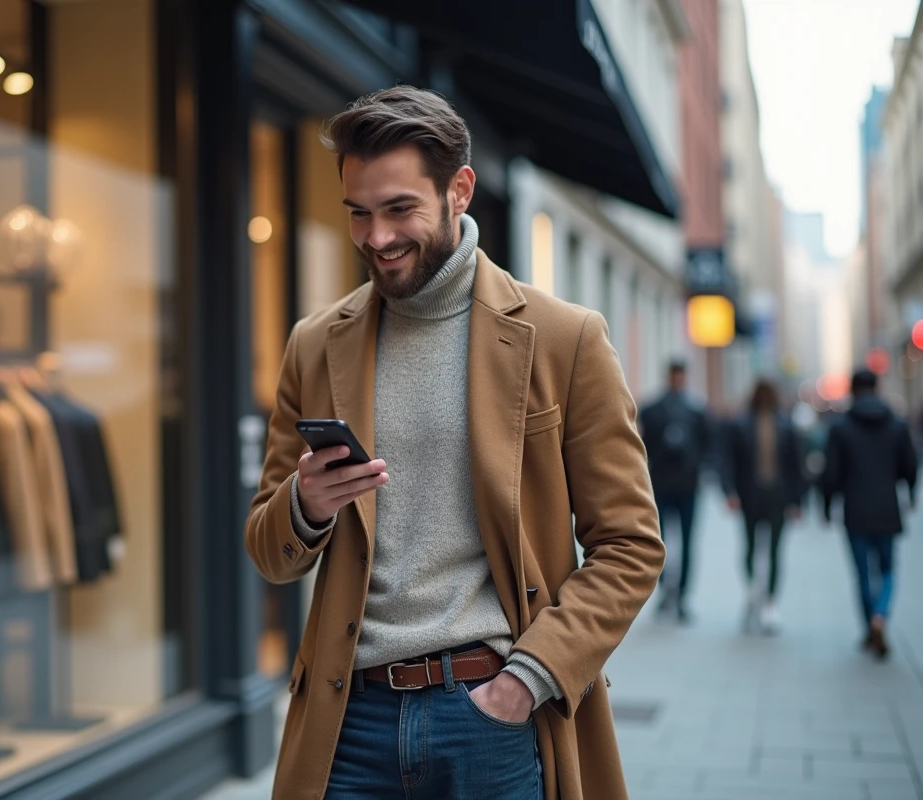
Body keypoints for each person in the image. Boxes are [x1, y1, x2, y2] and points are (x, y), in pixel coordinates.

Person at [245, 85, 664, 800]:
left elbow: (631, 545)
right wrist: (304, 505)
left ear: (458, 191)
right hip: (349, 723)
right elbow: (268, 551)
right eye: (359, 214)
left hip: (492, 718)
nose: (377, 237)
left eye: (400, 209)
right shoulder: (316, 345)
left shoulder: (566, 338)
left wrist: (524, 683)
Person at [821, 369, 917, 660]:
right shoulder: (897, 425)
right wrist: (910, 494)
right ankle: (881, 614)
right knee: (887, 569)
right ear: (876, 388)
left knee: (863, 573)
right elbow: (910, 466)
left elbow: (831, 474)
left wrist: (826, 505)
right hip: (887, 509)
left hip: (856, 511)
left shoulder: (841, 427)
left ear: (853, 390)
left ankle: (869, 626)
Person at [720, 379, 805, 635]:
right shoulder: (741, 425)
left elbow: (796, 467)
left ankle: (769, 602)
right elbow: (729, 462)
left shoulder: (786, 426)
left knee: (775, 551)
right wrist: (730, 492)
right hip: (750, 497)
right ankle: (752, 590)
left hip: (777, 497)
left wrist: (796, 501)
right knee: (749, 547)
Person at [639, 360, 712, 621]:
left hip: (688, 487)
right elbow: (641, 447)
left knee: (688, 542)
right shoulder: (652, 410)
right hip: (661, 486)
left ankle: (681, 596)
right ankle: (663, 592)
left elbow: (707, 446)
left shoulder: (696, 412)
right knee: (659, 543)